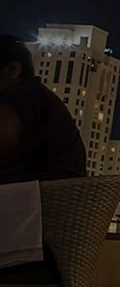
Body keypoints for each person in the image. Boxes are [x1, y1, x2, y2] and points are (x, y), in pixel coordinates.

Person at [0, 34, 86, 184]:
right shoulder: (39, 99)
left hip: (28, 202)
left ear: (13, 70)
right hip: (50, 200)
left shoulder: (20, 99)